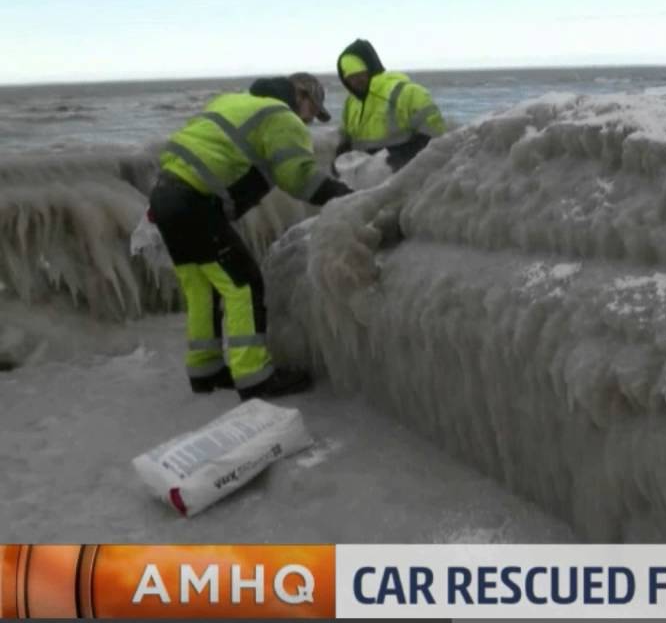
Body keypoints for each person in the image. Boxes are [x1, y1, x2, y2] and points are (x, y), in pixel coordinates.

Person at [148, 73, 353, 400]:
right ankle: (254, 378)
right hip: (196, 201)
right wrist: (346, 196)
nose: (309, 121)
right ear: (301, 95)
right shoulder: (280, 116)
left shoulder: (232, 102)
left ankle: (205, 370)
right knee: (244, 283)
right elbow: (298, 177)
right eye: (312, 112)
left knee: (201, 285)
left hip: (164, 195)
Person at [334, 39, 447, 171]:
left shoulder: (410, 93)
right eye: (350, 78)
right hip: (365, 181)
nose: (355, 82)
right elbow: (346, 140)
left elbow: (436, 138)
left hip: (405, 177)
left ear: (372, 68)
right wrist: (339, 160)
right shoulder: (351, 103)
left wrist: (400, 156)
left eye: (359, 75)